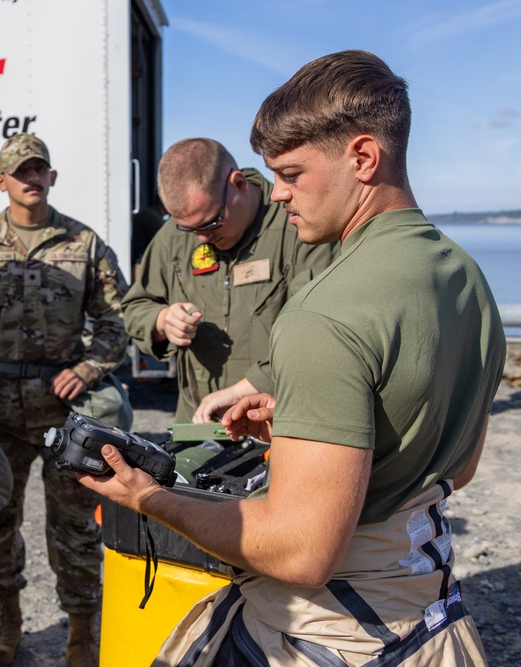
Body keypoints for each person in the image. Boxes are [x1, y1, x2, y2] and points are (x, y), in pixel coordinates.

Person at [82, 50, 506, 666]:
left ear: (363, 157)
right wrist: (311, 423)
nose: (277, 192)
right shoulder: (464, 276)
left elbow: (301, 553)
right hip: (429, 622)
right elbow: (456, 467)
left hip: (327, 635)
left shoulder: (324, 312)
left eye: (290, 172)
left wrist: (149, 499)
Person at [0, 133, 129, 667]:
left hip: (65, 414)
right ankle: (7, 621)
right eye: (21, 172)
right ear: (1, 182)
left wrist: (88, 367)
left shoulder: (84, 243)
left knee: (74, 527)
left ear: (52, 177)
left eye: (39, 170)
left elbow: (117, 319)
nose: (31, 179)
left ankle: (81, 632)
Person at [121, 138, 337, 424]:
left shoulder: (299, 226)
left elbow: (320, 335)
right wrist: (162, 321)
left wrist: (244, 390)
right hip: (198, 424)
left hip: (277, 424)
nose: (201, 238)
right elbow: (135, 307)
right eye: (189, 228)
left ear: (239, 184)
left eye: (211, 223)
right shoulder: (174, 235)